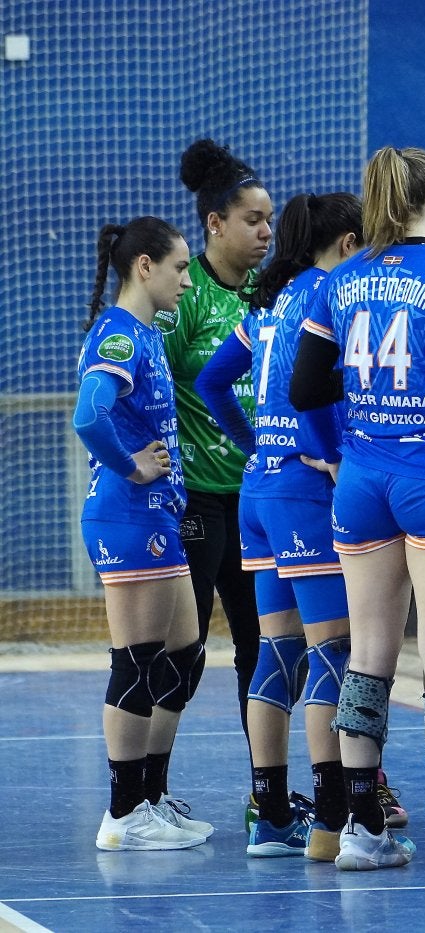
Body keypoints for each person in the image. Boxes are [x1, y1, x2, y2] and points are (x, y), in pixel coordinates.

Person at [290, 146, 425, 874]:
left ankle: (361, 830)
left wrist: (362, 410)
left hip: (362, 482)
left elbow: (304, 389)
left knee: (368, 654)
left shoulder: (339, 280)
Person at [195, 193, 362, 860]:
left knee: (277, 651)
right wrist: (329, 451)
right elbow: (312, 392)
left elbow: (213, 382)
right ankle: (331, 820)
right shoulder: (331, 296)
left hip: (258, 489)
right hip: (303, 490)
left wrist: (254, 443)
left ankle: (270, 815)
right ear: (346, 244)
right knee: (331, 651)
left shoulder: (269, 303)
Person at [75, 216, 214, 850]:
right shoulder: (120, 336)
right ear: (145, 266)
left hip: (156, 518)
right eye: (180, 267)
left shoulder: (147, 332)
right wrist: (131, 467)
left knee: (185, 652)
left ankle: (150, 796)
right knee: (134, 663)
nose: (187, 279)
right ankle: (123, 813)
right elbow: (89, 416)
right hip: (128, 517)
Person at [159, 139, 270, 778]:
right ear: (215, 223)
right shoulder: (186, 295)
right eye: (252, 220)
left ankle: (267, 791)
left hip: (255, 502)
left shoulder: (267, 294)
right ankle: (147, 795)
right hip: (196, 501)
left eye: (270, 220)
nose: (266, 232)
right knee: (185, 650)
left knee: (265, 650)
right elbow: (152, 390)